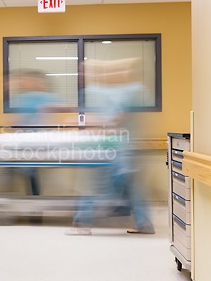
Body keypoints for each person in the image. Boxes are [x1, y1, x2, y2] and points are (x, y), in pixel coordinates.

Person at [66, 58, 155, 235]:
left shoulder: (133, 91)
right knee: (132, 189)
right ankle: (144, 223)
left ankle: (82, 224)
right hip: (115, 149)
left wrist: (97, 127)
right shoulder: (107, 92)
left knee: (93, 186)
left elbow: (118, 120)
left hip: (122, 150)